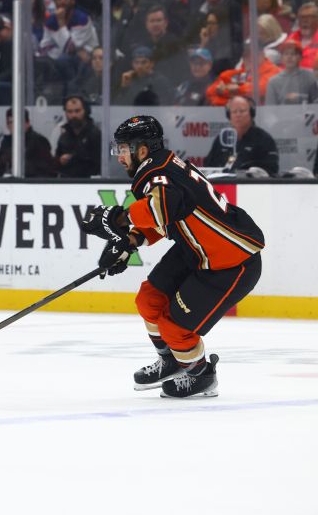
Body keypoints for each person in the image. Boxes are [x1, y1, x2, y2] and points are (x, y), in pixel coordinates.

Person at [80, 115, 264, 398]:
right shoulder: (160, 166)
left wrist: (118, 218)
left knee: (174, 328)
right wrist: (131, 240)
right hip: (196, 250)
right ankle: (171, 361)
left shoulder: (158, 174)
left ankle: (201, 374)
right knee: (148, 299)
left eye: (123, 149)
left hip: (230, 262)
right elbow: (170, 217)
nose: (119, 156)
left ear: (142, 149)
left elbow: (163, 206)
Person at [204, 96, 279, 176]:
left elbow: (272, 169)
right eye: (234, 112)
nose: (238, 115)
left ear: (251, 113)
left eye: (242, 111)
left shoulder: (264, 139)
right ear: (229, 116)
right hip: (222, 185)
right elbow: (208, 165)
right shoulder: (222, 138)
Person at [0, 108, 54, 178]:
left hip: (34, 185)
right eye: (10, 122)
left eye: (17, 122)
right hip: (10, 186)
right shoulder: (6, 143)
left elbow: (48, 172)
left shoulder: (39, 141)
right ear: (7, 125)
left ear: (27, 123)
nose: (14, 126)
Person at [54, 95, 101, 178]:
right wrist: (60, 160)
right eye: (70, 111)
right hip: (66, 183)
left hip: (90, 184)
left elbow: (99, 164)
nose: (73, 115)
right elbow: (56, 161)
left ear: (85, 111)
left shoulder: (95, 134)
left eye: (77, 111)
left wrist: (74, 159)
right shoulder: (64, 135)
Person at [265, 40, 318, 105]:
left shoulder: (310, 76)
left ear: (300, 57)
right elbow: (270, 109)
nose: (289, 57)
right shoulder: (273, 82)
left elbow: (316, 102)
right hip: (282, 115)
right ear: (281, 58)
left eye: (293, 54)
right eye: (286, 54)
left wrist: (300, 98)